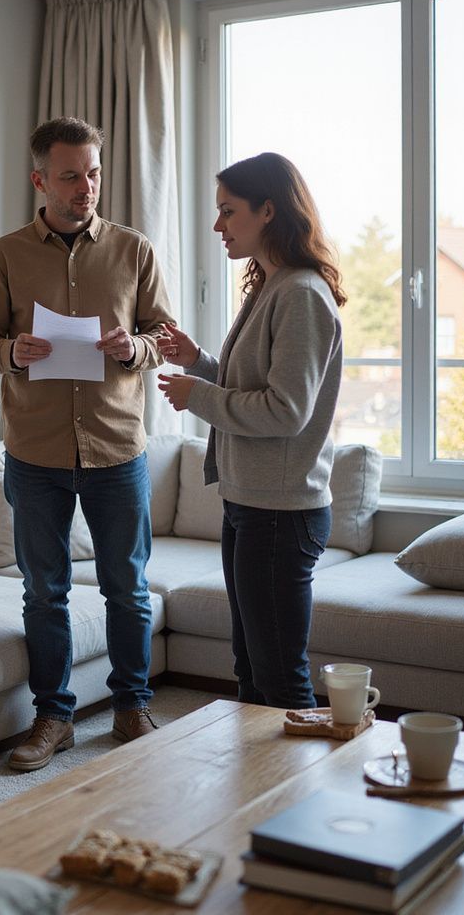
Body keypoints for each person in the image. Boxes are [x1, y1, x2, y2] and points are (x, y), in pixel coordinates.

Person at [0, 116, 175, 771]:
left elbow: (164, 336)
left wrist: (133, 347)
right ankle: (53, 718)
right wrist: (11, 352)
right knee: (43, 591)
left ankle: (132, 706)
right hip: (35, 453)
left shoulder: (134, 250)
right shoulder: (4, 256)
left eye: (93, 173)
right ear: (40, 181)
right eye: (70, 176)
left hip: (117, 448)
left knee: (127, 588)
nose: (86, 187)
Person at [156, 152, 345, 710]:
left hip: (280, 513)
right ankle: (254, 770)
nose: (218, 225)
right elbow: (255, 386)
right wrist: (199, 363)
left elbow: (286, 411)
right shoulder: (271, 286)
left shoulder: (301, 293)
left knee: (278, 676)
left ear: (268, 210)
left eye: (228, 211)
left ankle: (298, 771)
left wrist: (199, 396)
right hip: (250, 503)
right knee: (251, 669)